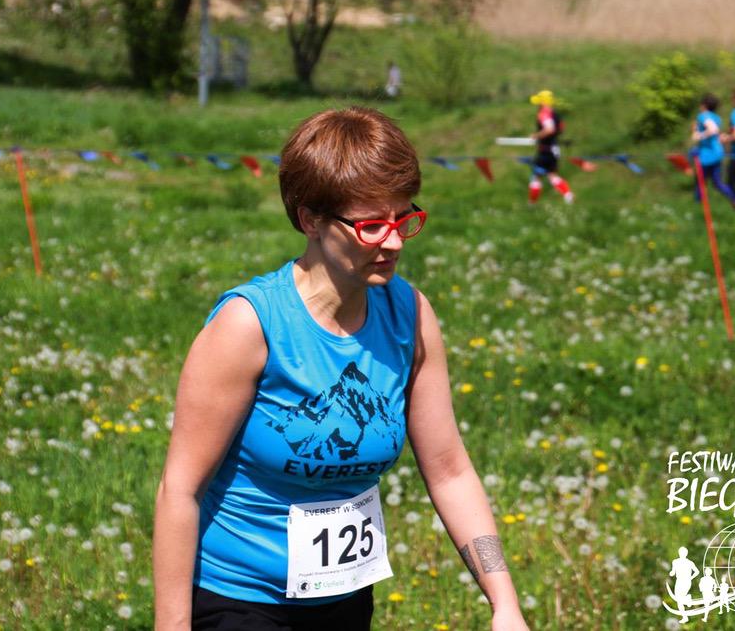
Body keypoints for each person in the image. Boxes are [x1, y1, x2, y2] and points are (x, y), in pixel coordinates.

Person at [153, 107, 530, 631]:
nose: (394, 242)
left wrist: (504, 603)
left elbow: (450, 471)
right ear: (311, 220)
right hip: (239, 600)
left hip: (345, 598)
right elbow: (179, 490)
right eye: (372, 226)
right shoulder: (249, 324)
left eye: (403, 219)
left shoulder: (409, 315)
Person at [691, 94, 735, 207]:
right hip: (717, 153)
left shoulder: (703, 115)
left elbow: (713, 129)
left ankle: (699, 205)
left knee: (700, 181)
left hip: (707, 155)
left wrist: (699, 135)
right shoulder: (716, 117)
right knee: (717, 183)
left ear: (703, 105)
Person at [528, 90, 573, 204]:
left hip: (545, 150)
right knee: (552, 175)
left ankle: (532, 204)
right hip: (554, 149)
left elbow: (549, 129)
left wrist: (536, 136)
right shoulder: (555, 114)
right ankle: (568, 195)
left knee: (536, 177)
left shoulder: (544, 113)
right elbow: (560, 129)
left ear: (543, 101)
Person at [669, 547, 700, 623]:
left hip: (684, 581)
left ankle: (687, 599)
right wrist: (671, 573)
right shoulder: (676, 562)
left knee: (679, 599)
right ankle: (685, 616)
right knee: (679, 600)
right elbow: (673, 572)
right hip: (681, 581)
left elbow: (697, 572)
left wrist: (690, 578)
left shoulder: (688, 562)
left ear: (686, 553)